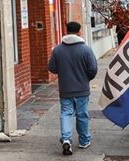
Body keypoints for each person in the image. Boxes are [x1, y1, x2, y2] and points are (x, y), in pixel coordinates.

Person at [48, 21, 99, 156]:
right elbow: (93, 69)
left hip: (65, 89)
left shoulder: (58, 50)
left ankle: (66, 139)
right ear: (79, 32)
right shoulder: (86, 49)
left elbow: (52, 67)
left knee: (66, 113)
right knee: (82, 114)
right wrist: (86, 78)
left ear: (67, 31)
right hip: (82, 89)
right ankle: (84, 141)